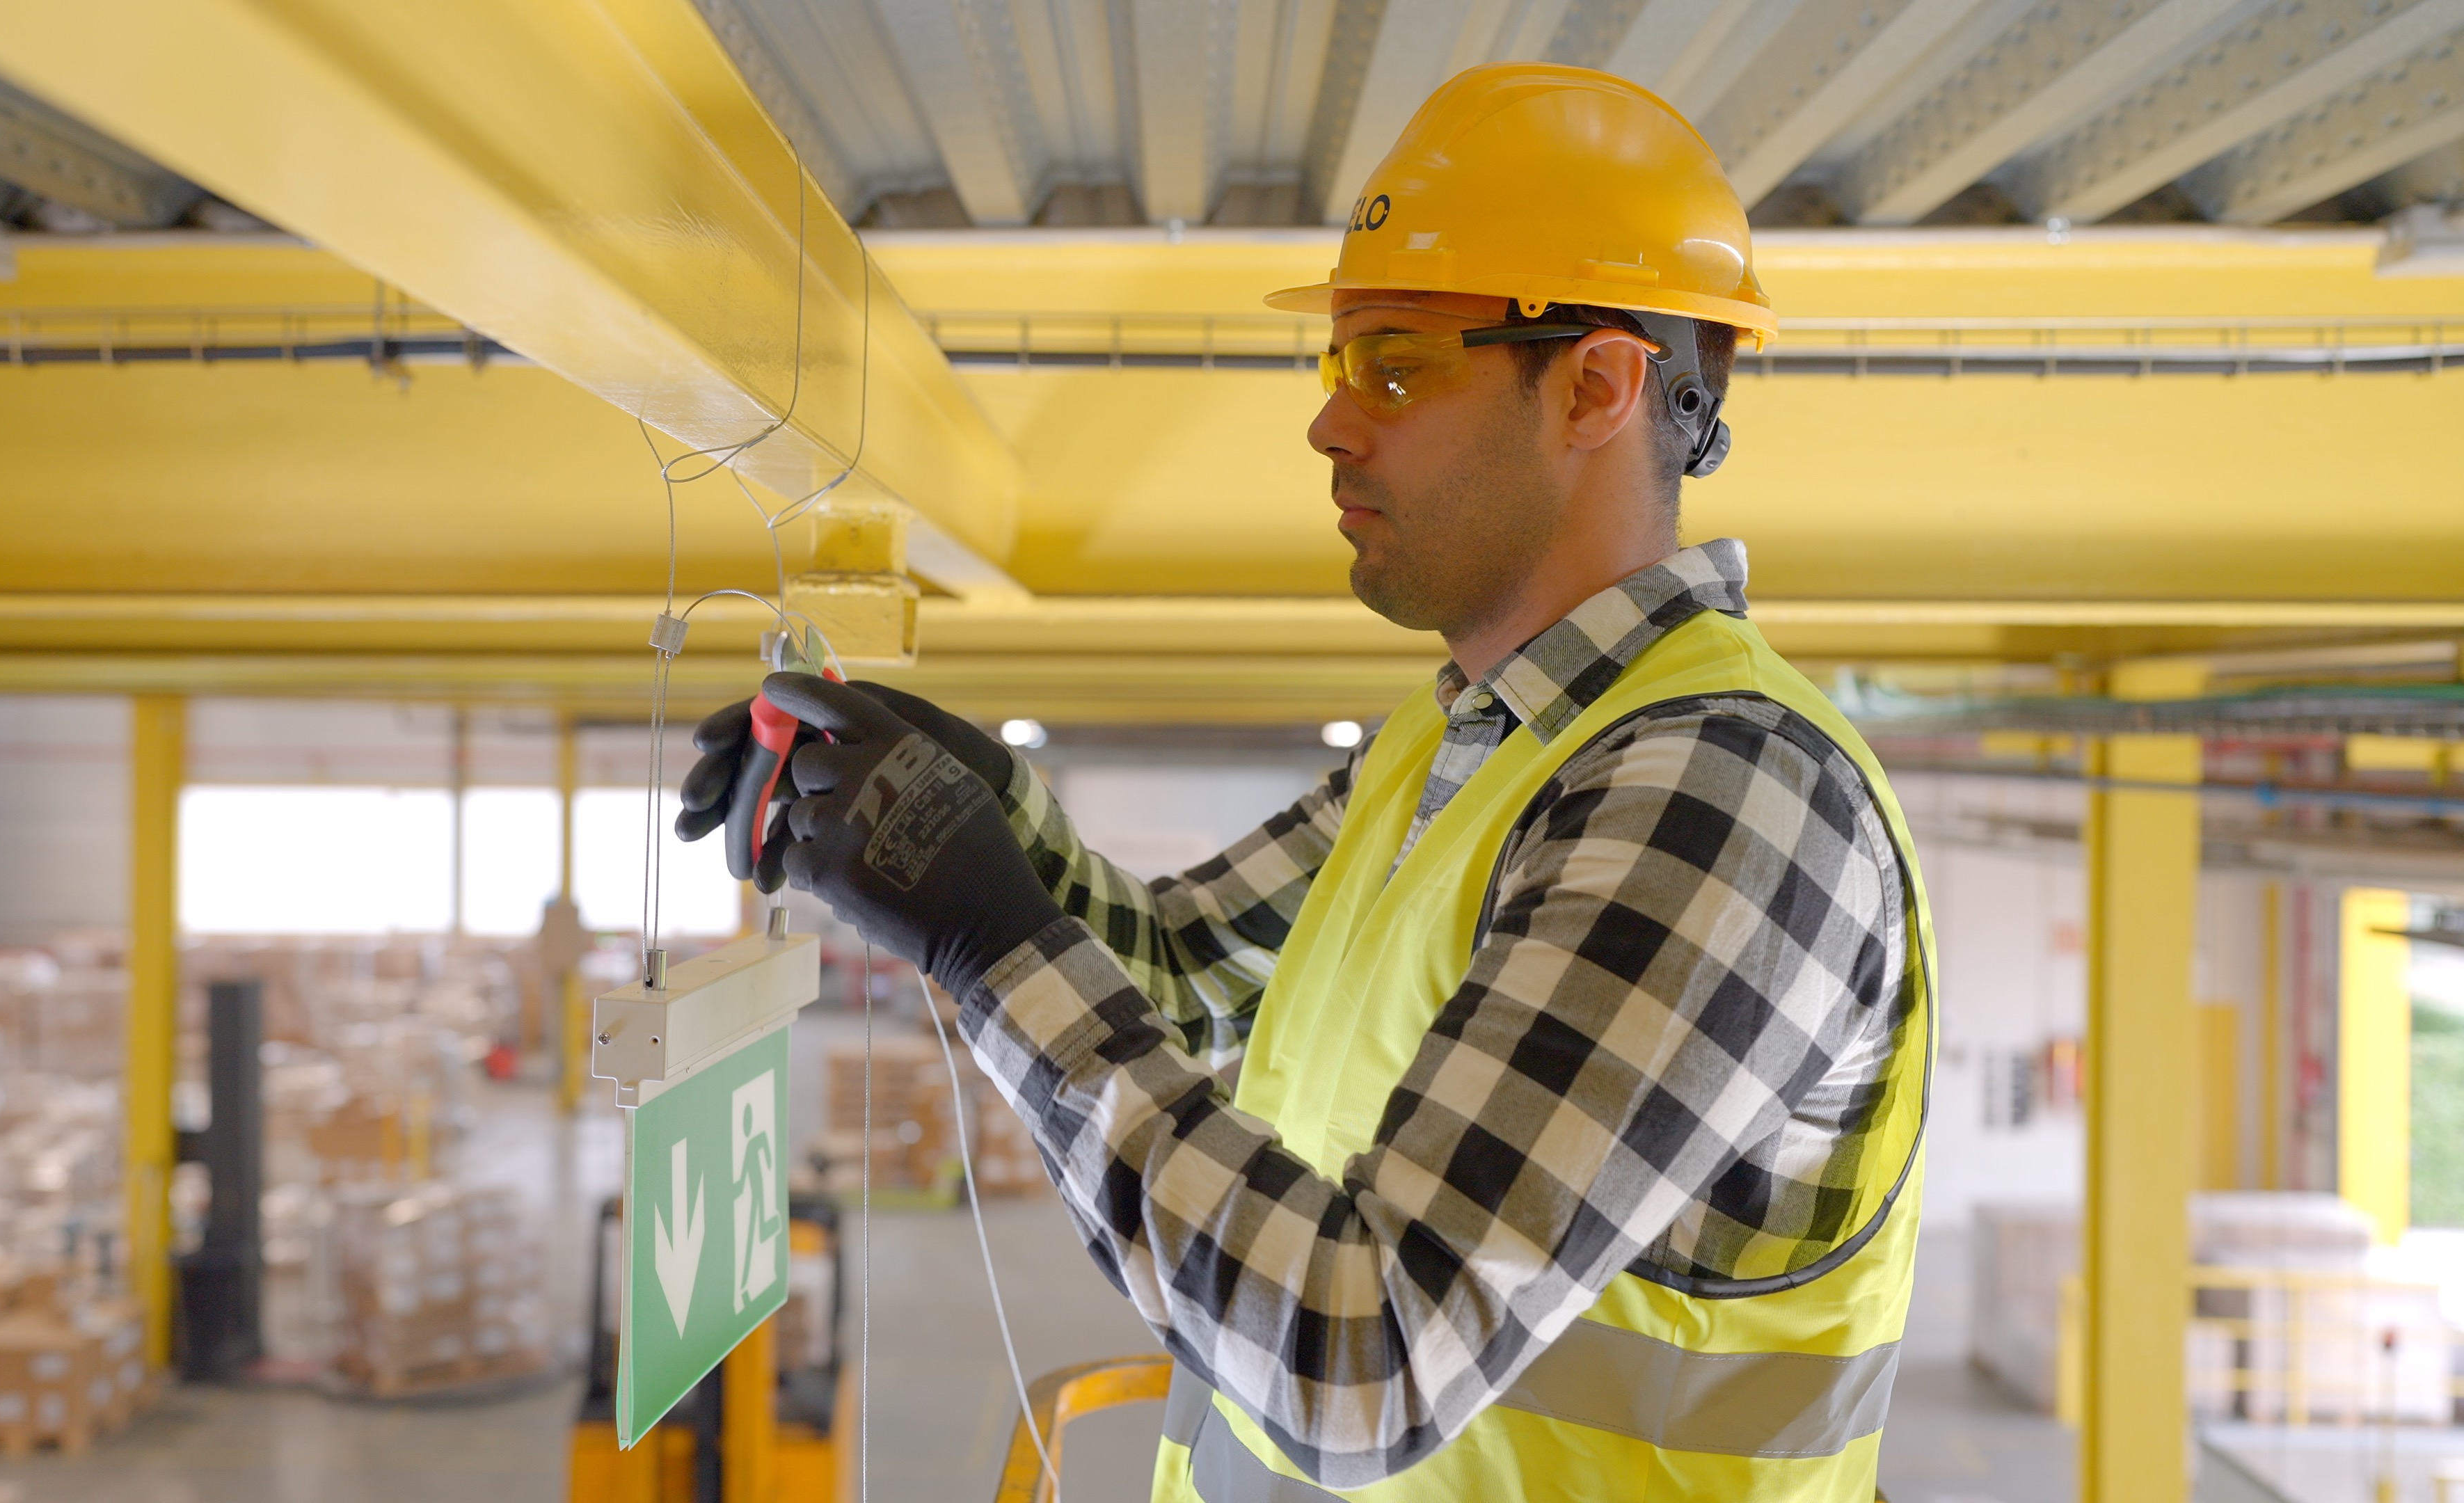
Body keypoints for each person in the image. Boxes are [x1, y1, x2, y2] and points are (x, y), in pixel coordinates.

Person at [682, 63, 1933, 1503]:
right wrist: (976, 815)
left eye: (1396, 363)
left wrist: (987, 938)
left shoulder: (1726, 803)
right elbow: (1172, 976)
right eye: (1339, 365)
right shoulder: (1472, 739)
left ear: (1597, 384)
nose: (1333, 425)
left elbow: (1365, 1361)